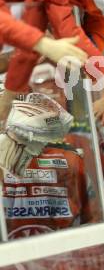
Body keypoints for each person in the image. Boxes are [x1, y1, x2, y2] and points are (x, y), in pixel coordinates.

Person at [0, 93, 97, 239]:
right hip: (64, 254)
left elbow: (92, 219)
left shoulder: (70, 159)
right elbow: (92, 220)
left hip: (61, 255)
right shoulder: (70, 157)